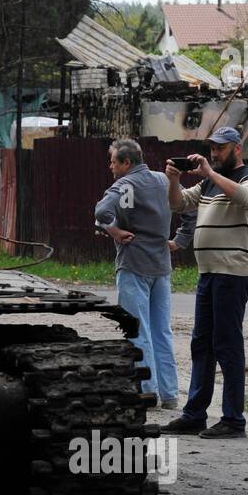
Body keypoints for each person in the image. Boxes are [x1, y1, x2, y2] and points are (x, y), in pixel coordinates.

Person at [163, 126, 248, 439]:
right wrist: (174, 179)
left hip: (233, 273)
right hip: (208, 273)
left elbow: (247, 198)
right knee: (201, 344)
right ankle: (194, 414)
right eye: (212, 149)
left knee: (227, 345)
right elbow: (178, 205)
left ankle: (234, 419)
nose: (215, 154)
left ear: (237, 149)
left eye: (220, 149)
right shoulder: (207, 182)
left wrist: (209, 172)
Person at [94, 138, 179, 409]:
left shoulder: (125, 184)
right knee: (162, 331)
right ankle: (170, 394)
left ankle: (146, 391)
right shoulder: (164, 181)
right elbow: (188, 208)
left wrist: (115, 231)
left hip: (134, 264)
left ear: (127, 162)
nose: (110, 166)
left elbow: (102, 211)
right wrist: (180, 240)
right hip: (161, 266)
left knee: (136, 329)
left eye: (113, 161)